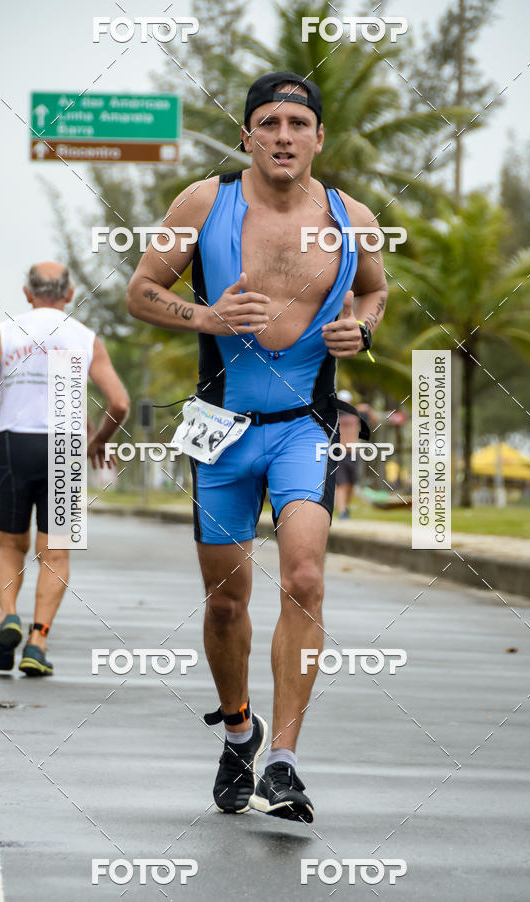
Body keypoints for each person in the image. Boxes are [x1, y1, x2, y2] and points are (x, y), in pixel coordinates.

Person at [127, 71, 388, 822]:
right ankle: (240, 730)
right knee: (225, 603)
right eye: (268, 123)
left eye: (296, 124)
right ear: (247, 135)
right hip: (221, 431)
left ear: (317, 138)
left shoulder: (351, 215)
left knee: (304, 578)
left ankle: (284, 761)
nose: (282, 135)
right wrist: (203, 316)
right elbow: (141, 289)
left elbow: (373, 288)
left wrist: (362, 330)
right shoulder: (206, 202)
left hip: (305, 427)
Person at [0, 262, 129, 676]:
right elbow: (120, 403)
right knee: (55, 553)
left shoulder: (6, 331)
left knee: (8, 545)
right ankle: (37, 643)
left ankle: (8, 618)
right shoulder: (84, 337)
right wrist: (98, 442)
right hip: (65, 445)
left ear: (27, 293)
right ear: (70, 293)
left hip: (13, 442)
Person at [334, 390, 378, 518]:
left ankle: (345, 508)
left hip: (354, 452)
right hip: (339, 452)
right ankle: (342, 511)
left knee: (351, 484)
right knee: (341, 483)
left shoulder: (356, 414)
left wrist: (368, 409)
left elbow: (375, 419)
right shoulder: (334, 413)